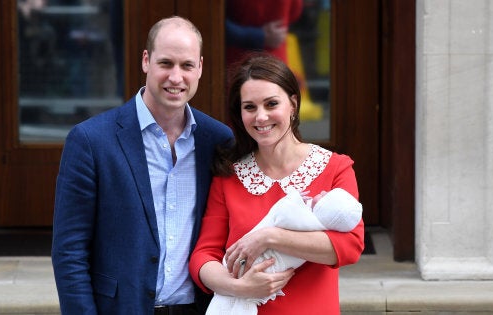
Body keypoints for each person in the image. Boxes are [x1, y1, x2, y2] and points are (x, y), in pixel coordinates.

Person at [52, 16, 233, 315]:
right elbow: (69, 251)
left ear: (200, 67)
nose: (176, 77)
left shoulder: (218, 141)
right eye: (166, 63)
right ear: (146, 61)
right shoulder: (90, 140)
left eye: (187, 66)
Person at [188, 53, 365, 314]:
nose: (260, 117)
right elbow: (203, 257)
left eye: (271, 104)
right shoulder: (229, 176)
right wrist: (238, 287)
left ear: (293, 104)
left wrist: (270, 237)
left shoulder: (335, 167)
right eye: (249, 107)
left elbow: (350, 247)